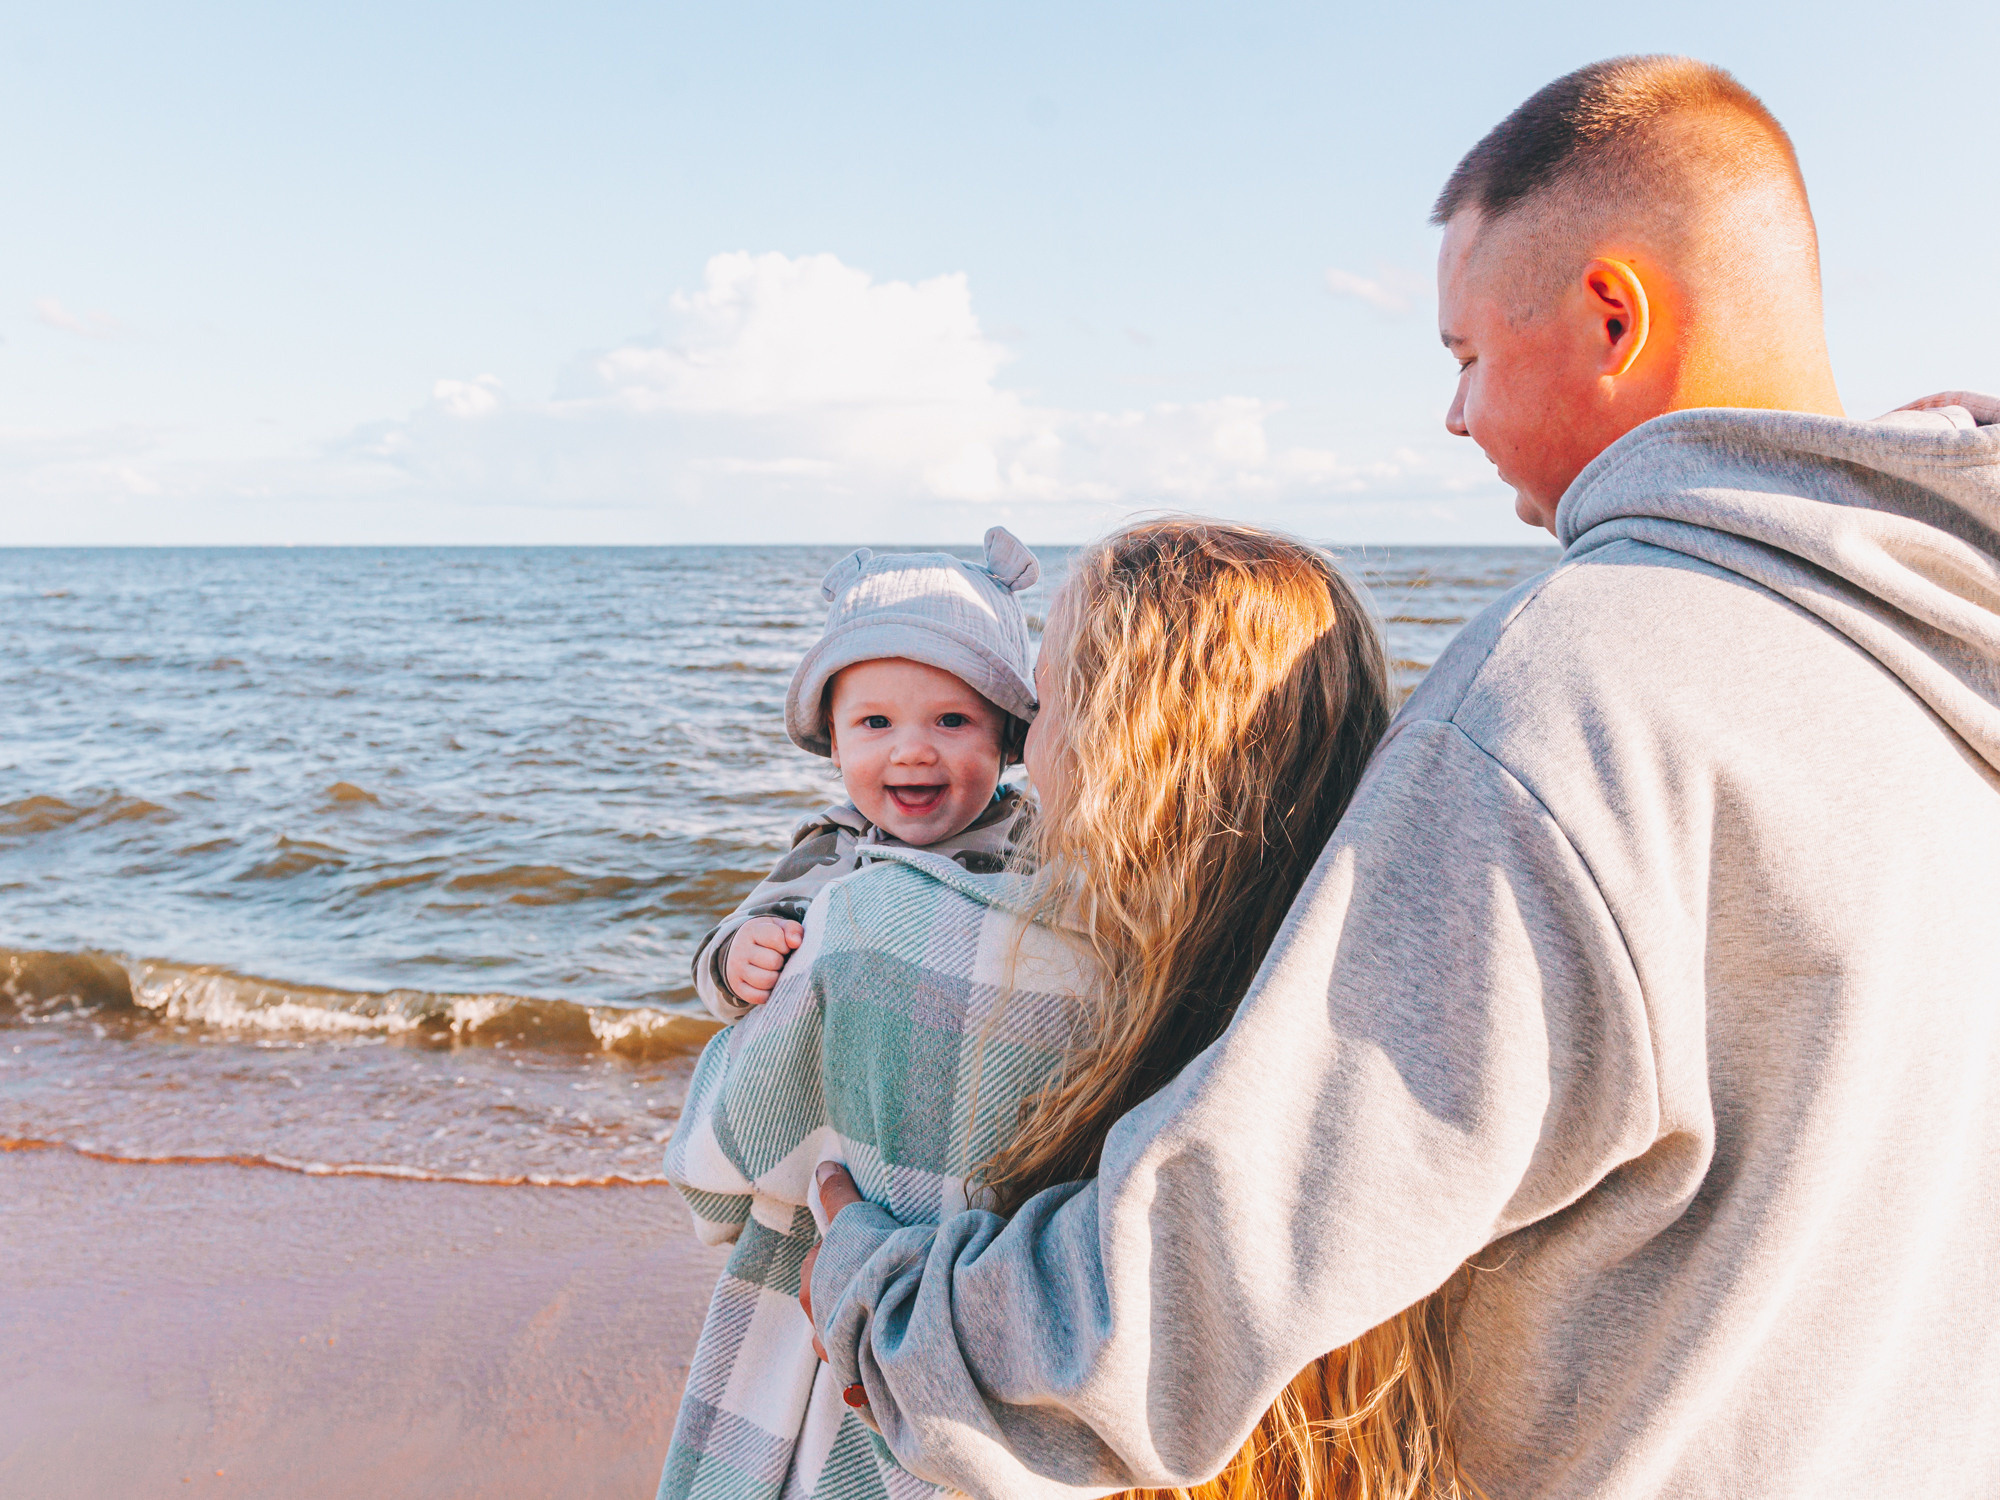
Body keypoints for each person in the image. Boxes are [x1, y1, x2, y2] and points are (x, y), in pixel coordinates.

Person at [803, 55, 2000, 1497]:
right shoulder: (1946, 654)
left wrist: (882, 1299)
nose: (1453, 417)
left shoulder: (1585, 683)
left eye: (1465, 356)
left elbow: (1206, 1274)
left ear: (1615, 315)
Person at [657, 521, 1412, 1500]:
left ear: (1092, 727)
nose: (915, 751)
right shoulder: (1323, 980)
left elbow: (713, 1174)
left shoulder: (873, 932)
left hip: (889, 1428)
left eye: (1031, 704)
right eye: (873, 725)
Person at [688, 528, 1040, 1021]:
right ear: (835, 741)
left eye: (952, 720)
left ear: (1007, 736)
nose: (913, 752)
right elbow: (722, 950)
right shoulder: (836, 849)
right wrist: (740, 958)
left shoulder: (1040, 837)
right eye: (876, 722)